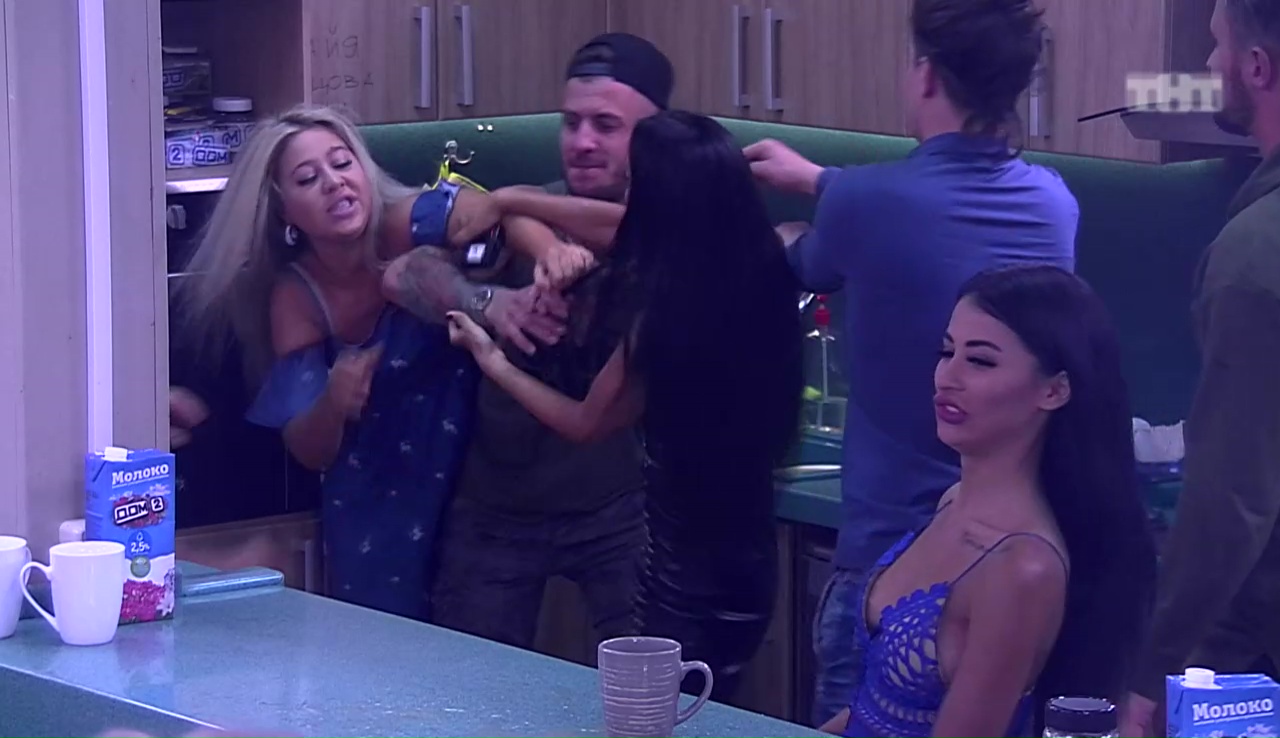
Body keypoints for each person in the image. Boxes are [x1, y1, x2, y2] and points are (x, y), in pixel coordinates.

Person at [741, 0, 1079, 724]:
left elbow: (809, 259)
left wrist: (798, 217)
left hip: (891, 563)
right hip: (1000, 555)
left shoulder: (866, 203)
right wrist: (823, 182)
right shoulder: (1054, 205)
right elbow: (919, 208)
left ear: (924, 75)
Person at [446, 110, 803, 702]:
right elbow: (629, 228)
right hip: (751, 569)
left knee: (654, 717)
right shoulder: (765, 262)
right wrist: (513, 201)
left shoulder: (662, 319)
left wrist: (494, 362)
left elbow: (585, 421)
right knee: (713, 713)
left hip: (678, 578)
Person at [173, 104, 556, 621]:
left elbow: (498, 214)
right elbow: (307, 448)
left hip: (477, 477)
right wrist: (333, 403)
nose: (334, 183)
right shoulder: (297, 298)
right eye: (308, 179)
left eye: (342, 163)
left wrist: (549, 256)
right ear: (284, 211)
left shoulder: (411, 220)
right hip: (377, 499)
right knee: (389, 643)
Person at [382, 33, 674, 652]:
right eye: (571, 123)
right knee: (470, 689)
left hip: (622, 505)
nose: (582, 141)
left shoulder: (677, 226)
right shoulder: (525, 216)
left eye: (606, 125)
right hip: (496, 507)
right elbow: (405, 273)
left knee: (656, 683)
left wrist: (512, 206)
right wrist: (489, 302)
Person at [813, 265, 1156, 738]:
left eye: (980, 361)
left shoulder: (1023, 569)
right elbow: (876, 707)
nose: (947, 377)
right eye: (947, 352)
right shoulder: (952, 503)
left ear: (1054, 390)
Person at [1120, 2, 1280, 735]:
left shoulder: (1255, 256)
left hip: (1254, 662)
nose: (1210, 65)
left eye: (1218, 47)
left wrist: (1156, 671)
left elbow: (1233, 500)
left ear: (1258, 67)